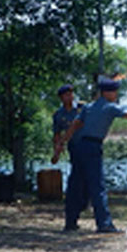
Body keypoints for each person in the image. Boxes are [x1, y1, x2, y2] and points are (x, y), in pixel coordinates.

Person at [53, 76, 127, 233]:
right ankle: (104, 224)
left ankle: (70, 223)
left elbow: (75, 125)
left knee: (75, 185)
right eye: (114, 91)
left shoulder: (88, 107)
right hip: (92, 147)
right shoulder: (109, 107)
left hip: (79, 147)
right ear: (107, 93)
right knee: (97, 187)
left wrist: (62, 142)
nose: (116, 94)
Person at [50, 84, 85, 231]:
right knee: (76, 183)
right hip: (74, 149)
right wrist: (56, 154)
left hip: (87, 147)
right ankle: (72, 219)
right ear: (61, 98)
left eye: (71, 94)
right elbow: (57, 136)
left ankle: (80, 209)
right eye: (66, 95)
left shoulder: (82, 109)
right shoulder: (59, 115)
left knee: (89, 185)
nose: (69, 97)